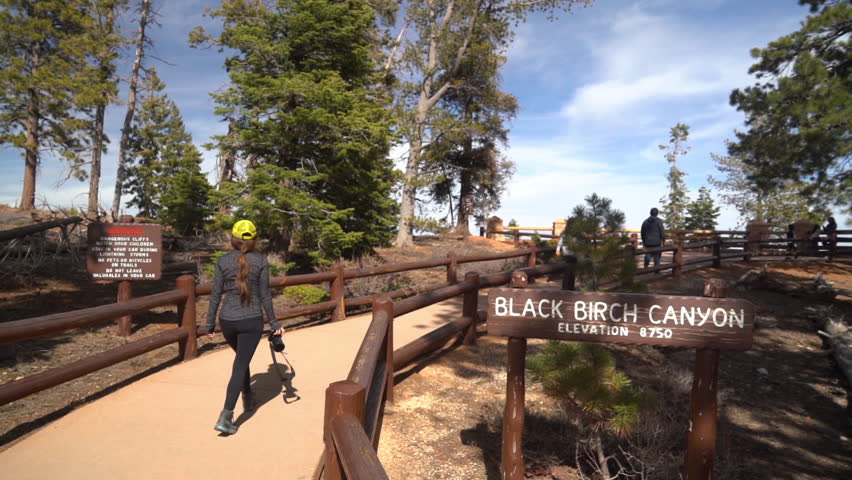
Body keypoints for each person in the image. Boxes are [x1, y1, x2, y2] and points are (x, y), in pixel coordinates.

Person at [206, 219, 284, 435]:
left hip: (227, 321)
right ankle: (226, 416)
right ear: (254, 239)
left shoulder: (223, 261)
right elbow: (265, 295)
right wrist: (274, 322)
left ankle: (248, 396)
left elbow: (215, 294)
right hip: (251, 320)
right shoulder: (260, 261)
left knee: (242, 357)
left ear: (233, 238)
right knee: (241, 364)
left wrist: (210, 323)